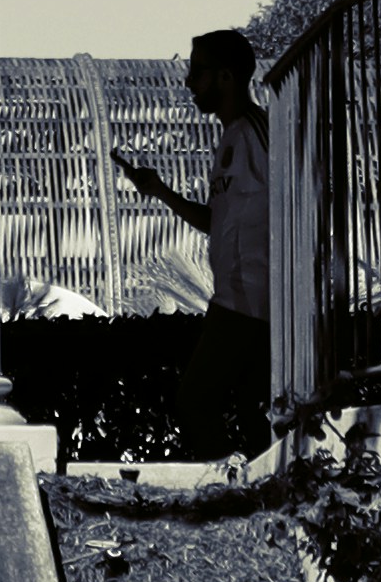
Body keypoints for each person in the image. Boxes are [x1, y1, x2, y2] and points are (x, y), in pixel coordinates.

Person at [115, 27, 274, 454]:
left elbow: (293, 206)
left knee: (197, 399)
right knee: (249, 408)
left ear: (225, 77)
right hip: (238, 298)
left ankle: (225, 498)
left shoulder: (257, 133)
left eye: (197, 71)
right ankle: (254, 499)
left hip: (252, 302)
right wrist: (161, 191)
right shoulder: (235, 136)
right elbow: (217, 221)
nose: (188, 81)